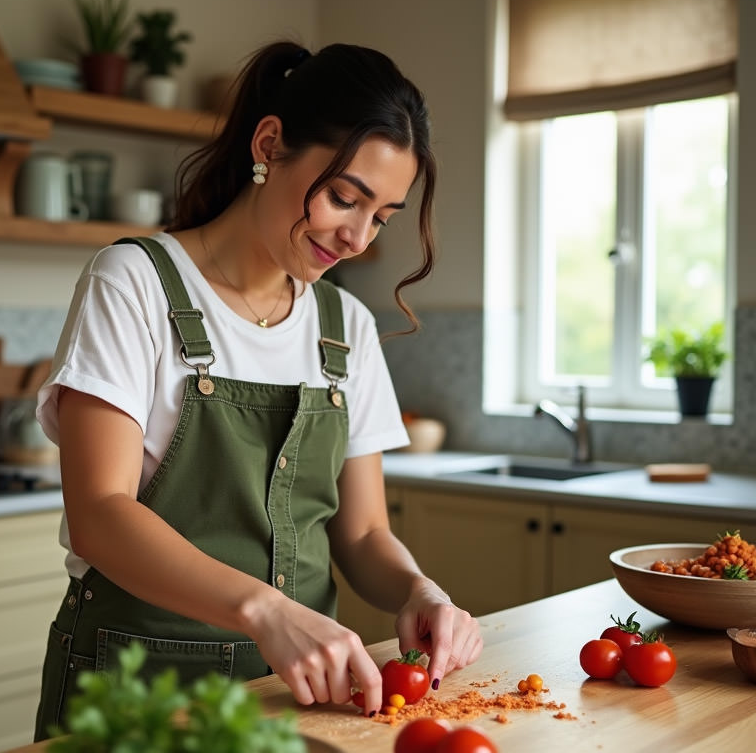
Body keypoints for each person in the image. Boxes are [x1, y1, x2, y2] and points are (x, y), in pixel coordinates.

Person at [32, 39, 482, 741]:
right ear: (270, 144)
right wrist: (267, 611)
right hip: (134, 685)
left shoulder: (347, 327)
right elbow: (100, 512)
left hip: (291, 698)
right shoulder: (133, 282)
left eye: (382, 216)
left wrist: (419, 590)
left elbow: (363, 533)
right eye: (344, 197)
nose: (358, 236)